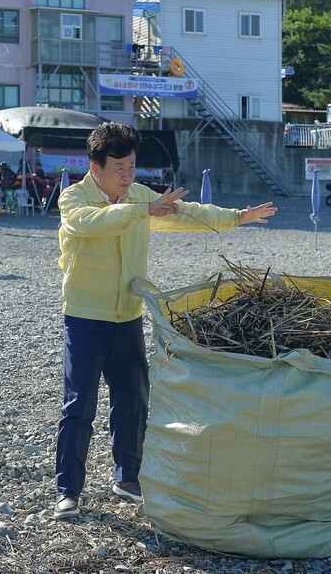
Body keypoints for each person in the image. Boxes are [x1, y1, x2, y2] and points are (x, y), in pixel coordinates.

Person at [52, 121, 276, 519]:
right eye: (119, 168)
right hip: (85, 316)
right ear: (95, 167)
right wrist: (142, 210)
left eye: (132, 167)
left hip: (128, 315)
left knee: (134, 399)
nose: (127, 175)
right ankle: (68, 490)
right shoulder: (74, 198)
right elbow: (90, 224)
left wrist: (236, 217)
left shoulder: (139, 197)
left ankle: (127, 478)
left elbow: (184, 213)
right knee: (79, 405)